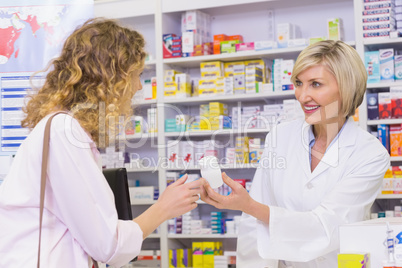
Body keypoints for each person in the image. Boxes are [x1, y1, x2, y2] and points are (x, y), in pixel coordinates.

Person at [0, 18, 203, 267]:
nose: (139, 86)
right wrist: (163, 209)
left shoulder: (65, 129)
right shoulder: (64, 131)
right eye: (137, 75)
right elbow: (107, 244)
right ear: (111, 79)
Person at [201, 40, 390, 268]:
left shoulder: (370, 154)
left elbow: (327, 226)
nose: (302, 96)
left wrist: (248, 205)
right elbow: (254, 226)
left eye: (316, 84)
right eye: (299, 83)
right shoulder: (280, 136)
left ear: (346, 88)